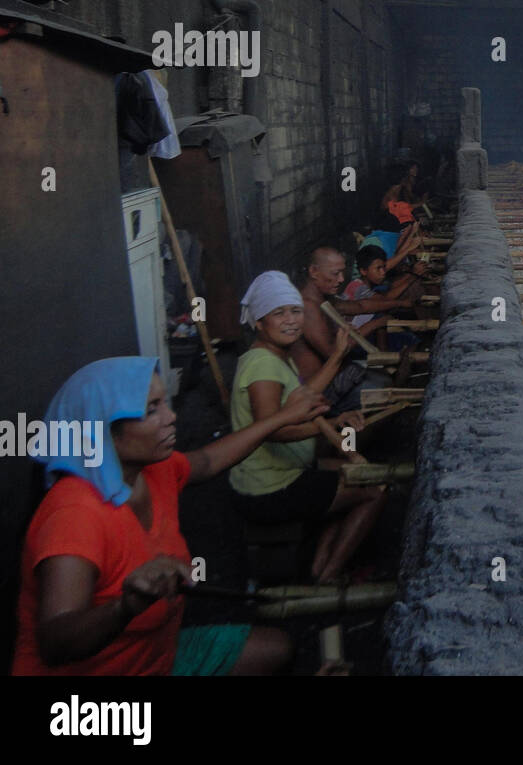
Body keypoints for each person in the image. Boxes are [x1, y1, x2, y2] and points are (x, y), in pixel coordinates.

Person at [12, 356, 327, 675]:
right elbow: (56, 642)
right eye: (151, 409)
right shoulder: (74, 514)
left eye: (165, 403)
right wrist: (125, 607)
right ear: (101, 429)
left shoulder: (151, 471)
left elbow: (207, 460)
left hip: (155, 658)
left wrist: (282, 417)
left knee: (277, 647)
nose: (171, 417)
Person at [229, 271, 386, 584]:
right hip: (270, 488)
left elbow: (304, 399)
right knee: (375, 488)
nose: (291, 320)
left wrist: (338, 357)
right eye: (279, 313)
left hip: (279, 474)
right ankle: (330, 573)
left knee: (351, 471)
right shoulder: (262, 365)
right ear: (259, 322)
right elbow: (272, 430)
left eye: (295, 311)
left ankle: (319, 564)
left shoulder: (275, 356)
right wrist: (327, 425)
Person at [295, 247, 410, 408]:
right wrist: (373, 325)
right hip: (319, 389)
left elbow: (359, 306)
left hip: (336, 372)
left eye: (342, 273)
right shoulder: (308, 307)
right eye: (335, 273)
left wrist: (400, 303)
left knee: (384, 376)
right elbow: (333, 352)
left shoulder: (324, 299)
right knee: (383, 384)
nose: (342, 279)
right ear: (314, 271)